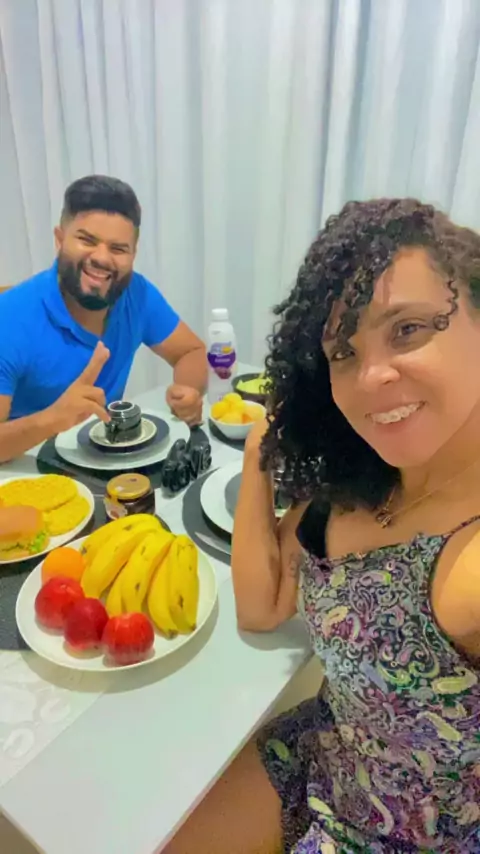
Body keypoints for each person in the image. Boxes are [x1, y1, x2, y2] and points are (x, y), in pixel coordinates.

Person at [165, 199, 480, 854]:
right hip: (324, 750)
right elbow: (262, 606)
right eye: (342, 352)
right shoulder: (357, 480)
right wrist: (260, 451)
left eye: (407, 329)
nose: (371, 376)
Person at [0, 175, 207, 463]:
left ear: (133, 254)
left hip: (103, 463)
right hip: (23, 475)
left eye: (118, 248)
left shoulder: (137, 293)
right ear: (60, 240)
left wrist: (189, 391)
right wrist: (53, 419)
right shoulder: (9, 318)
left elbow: (191, 351)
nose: (101, 258)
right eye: (87, 240)